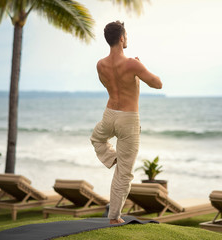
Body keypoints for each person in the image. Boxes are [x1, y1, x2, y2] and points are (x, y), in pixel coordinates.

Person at [90, 21, 162, 224]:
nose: (127, 38)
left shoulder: (100, 64)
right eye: (126, 35)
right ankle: (114, 218)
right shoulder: (132, 63)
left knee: (96, 139)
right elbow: (158, 84)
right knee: (124, 173)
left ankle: (112, 159)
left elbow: (110, 85)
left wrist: (134, 78)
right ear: (121, 38)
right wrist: (140, 68)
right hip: (128, 119)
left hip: (110, 114)